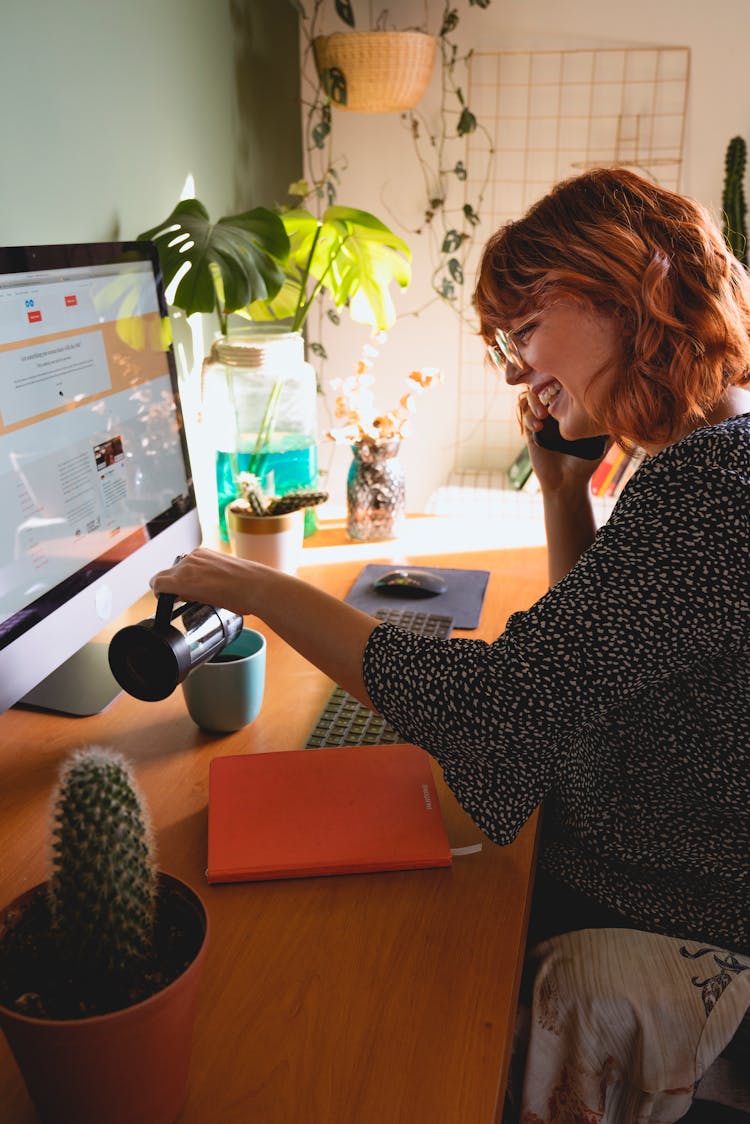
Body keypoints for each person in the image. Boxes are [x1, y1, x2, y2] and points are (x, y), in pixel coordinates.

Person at [153, 166, 750, 956]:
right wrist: (563, 492)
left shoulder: (711, 487)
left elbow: (495, 710)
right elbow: (577, 677)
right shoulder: (712, 454)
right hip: (647, 855)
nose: (512, 369)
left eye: (525, 330)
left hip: (666, 904)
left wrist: (260, 586)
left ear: (624, 292)